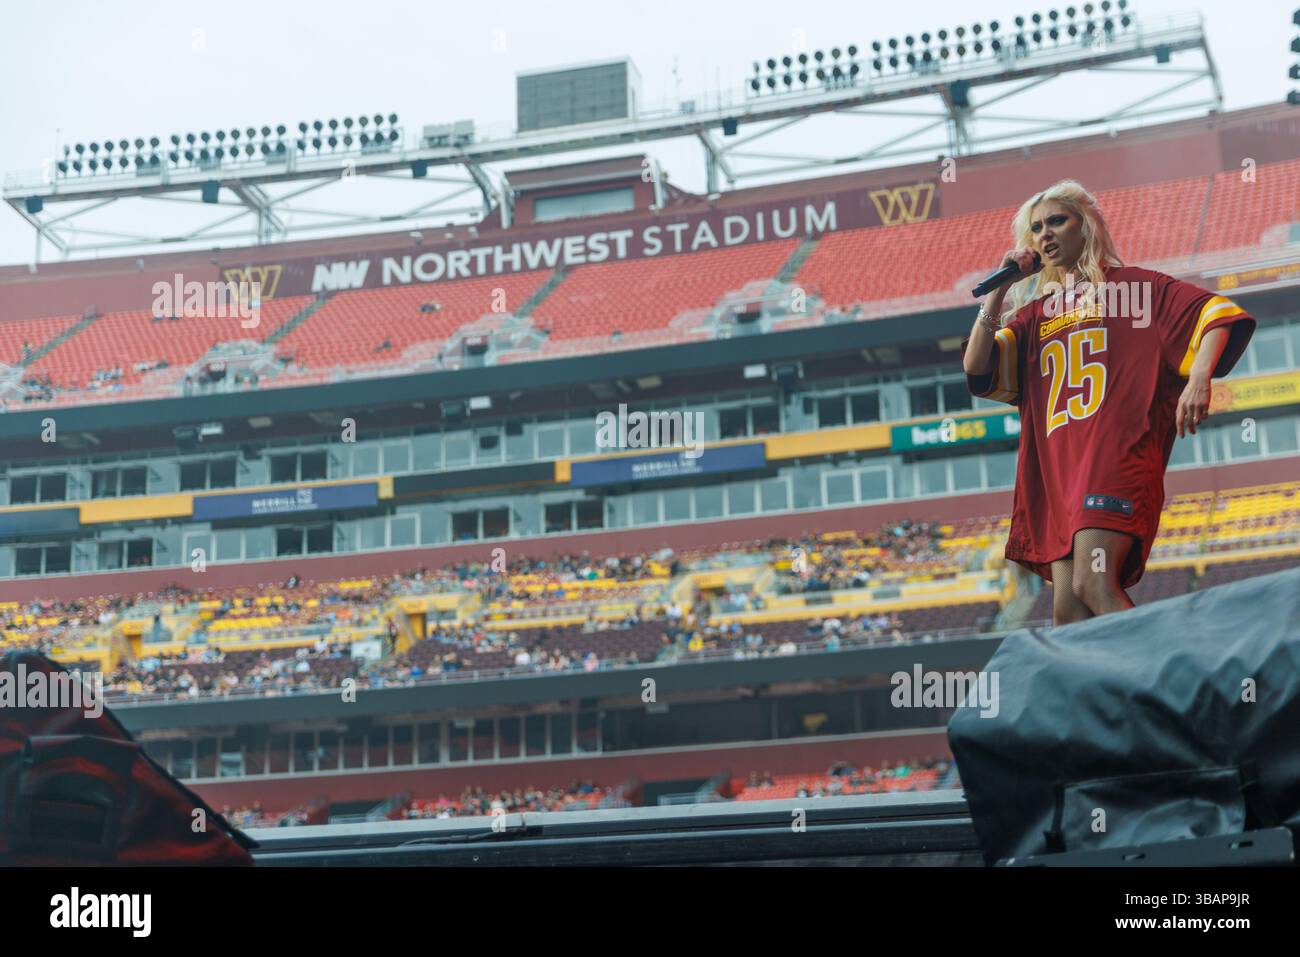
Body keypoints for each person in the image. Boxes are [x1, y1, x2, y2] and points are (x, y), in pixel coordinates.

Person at [961, 180, 1254, 625]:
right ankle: (1102, 696)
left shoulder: (1139, 289)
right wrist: (1000, 290)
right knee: (1068, 614)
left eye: (1057, 221)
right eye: (1036, 228)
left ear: (1088, 226)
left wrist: (1198, 377)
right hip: (1058, 473)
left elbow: (1216, 315)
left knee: (1093, 583)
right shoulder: (1032, 317)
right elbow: (976, 369)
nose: (1045, 234)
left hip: (1115, 457)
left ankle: (1170, 679)